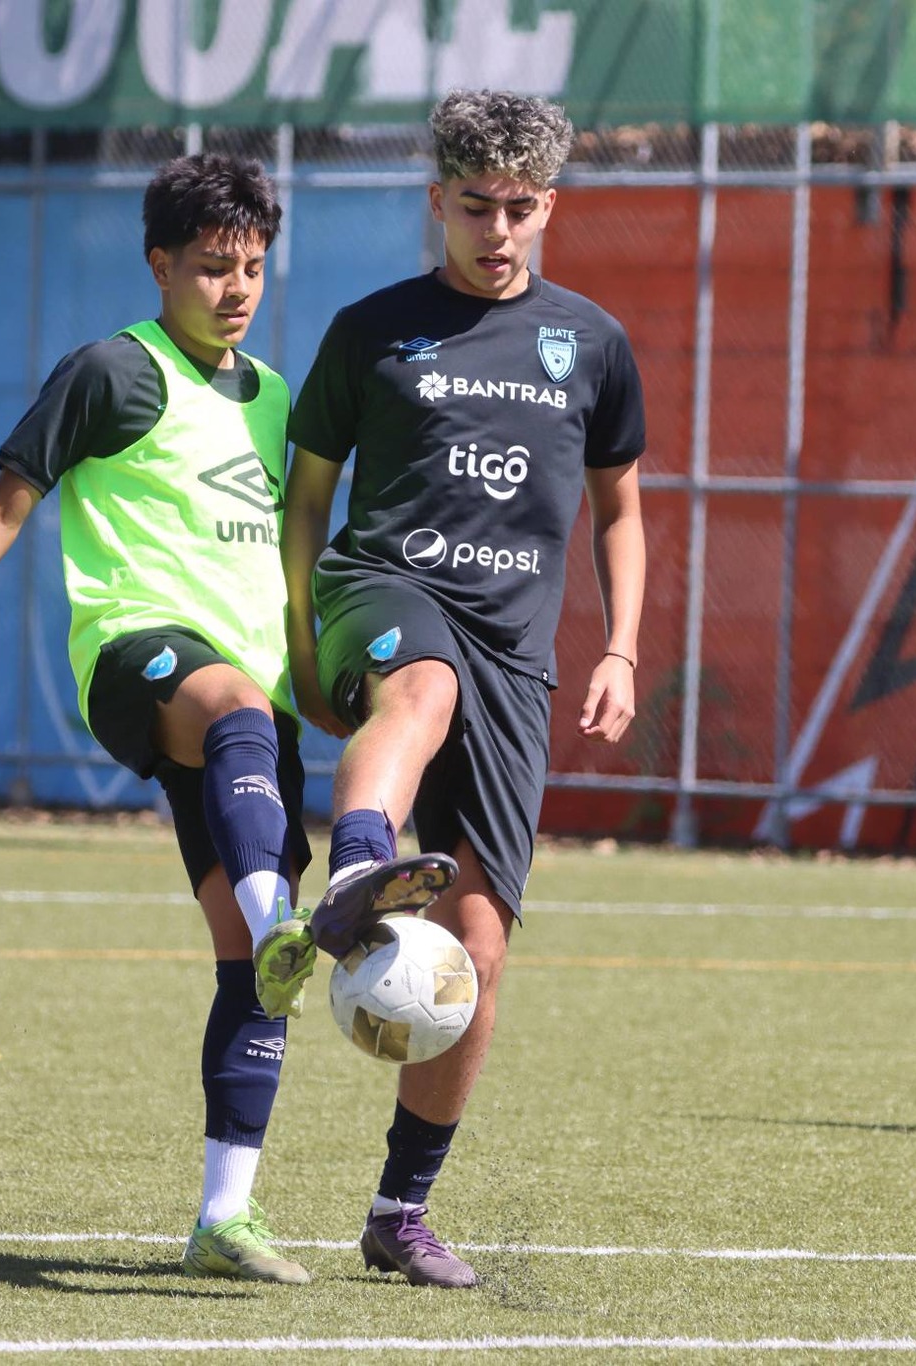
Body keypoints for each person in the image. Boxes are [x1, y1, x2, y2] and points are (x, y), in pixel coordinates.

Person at [0, 153, 321, 1280]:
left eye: (252, 267)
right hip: (138, 657)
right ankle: (286, 914)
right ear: (160, 265)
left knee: (246, 965)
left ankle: (223, 1215)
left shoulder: (278, 397)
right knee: (239, 733)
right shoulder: (115, 371)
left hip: (254, 705)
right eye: (211, 267)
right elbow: (5, 506)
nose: (236, 287)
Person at [282, 89, 646, 1286]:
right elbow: (305, 502)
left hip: (518, 657)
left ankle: (399, 1209)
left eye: (520, 209)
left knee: (477, 947)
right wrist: (298, 637)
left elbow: (620, 509)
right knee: (420, 686)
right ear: (435, 201)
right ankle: (354, 870)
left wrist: (620, 648)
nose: (497, 230)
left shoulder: (588, 343)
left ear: (549, 207)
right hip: (382, 594)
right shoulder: (371, 331)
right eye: (475, 206)